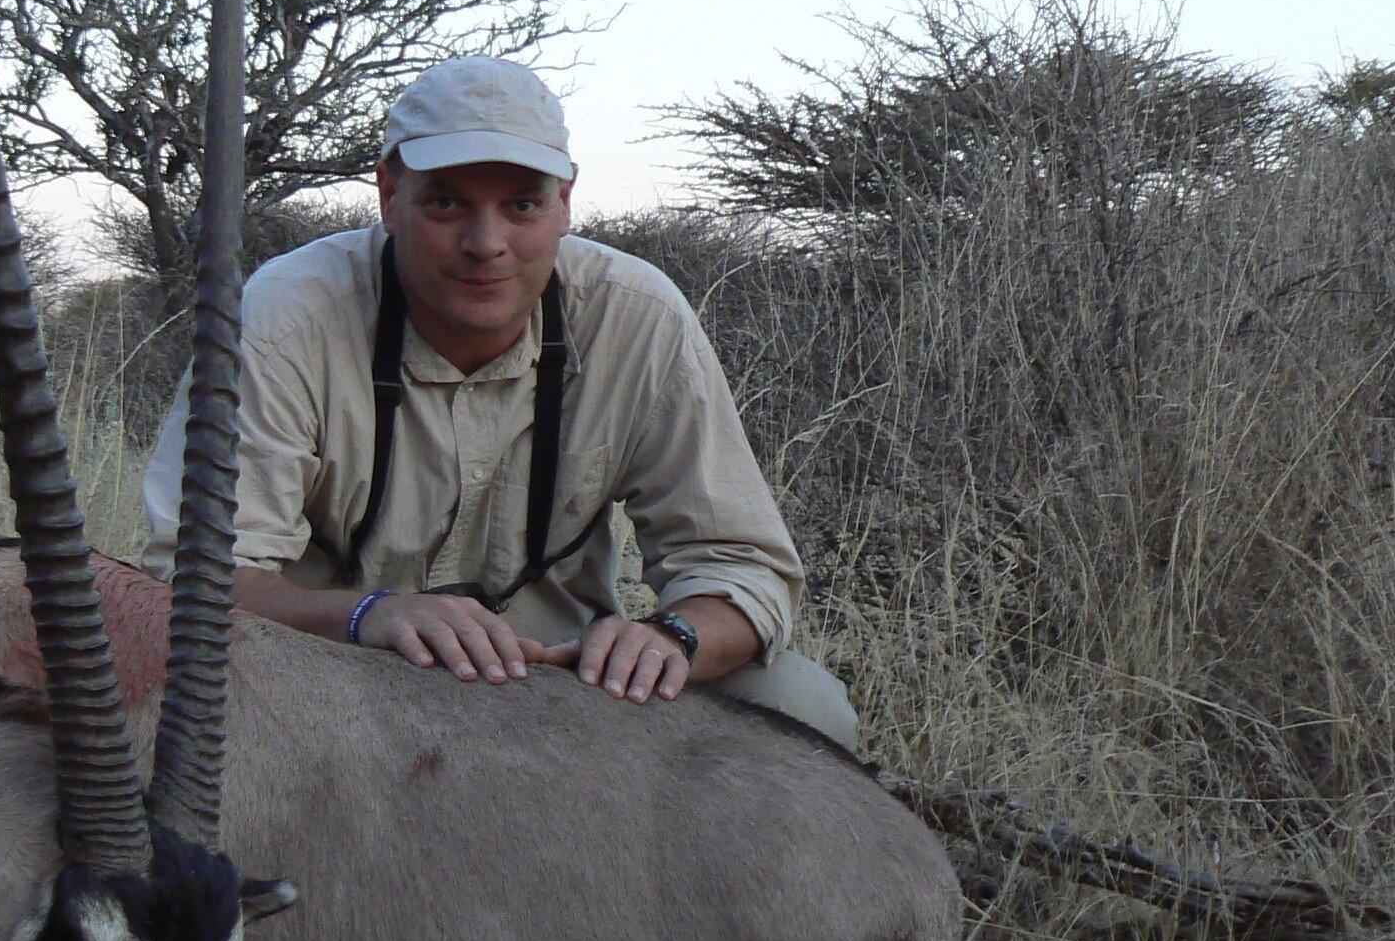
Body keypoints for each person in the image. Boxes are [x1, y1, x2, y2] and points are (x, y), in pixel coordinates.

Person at [143, 55, 859, 750]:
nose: (487, 244)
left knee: (803, 707)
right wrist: (371, 615)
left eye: (522, 205)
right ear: (389, 194)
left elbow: (743, 565)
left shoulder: (638, 315)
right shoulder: (284, 314)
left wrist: (668, 637)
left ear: (566, 201)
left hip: (561, 681)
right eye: (448, 201)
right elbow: (196, 584)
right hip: (332, 675)